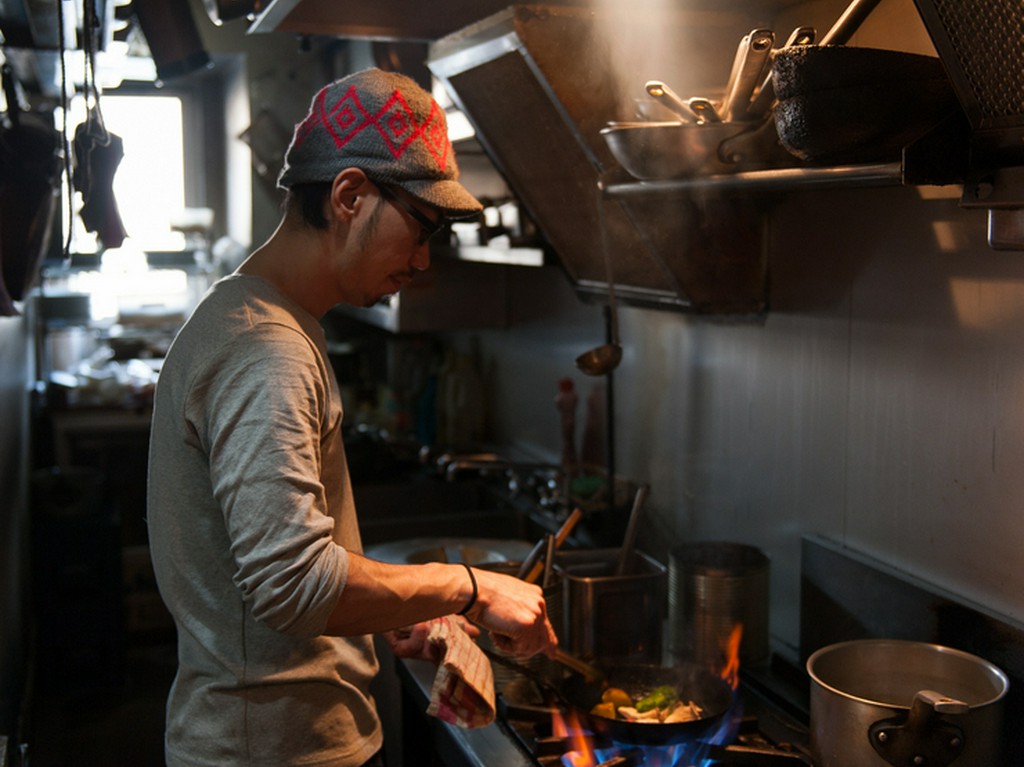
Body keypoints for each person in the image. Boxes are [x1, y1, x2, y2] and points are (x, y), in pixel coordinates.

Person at [146, 67, 558, 767]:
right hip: (276, 750)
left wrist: (385, 612)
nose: (424, 260)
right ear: (349, 195)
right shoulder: (266, 350)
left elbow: (282, 578)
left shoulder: (252, 317)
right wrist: (474, 585)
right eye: (421, 227)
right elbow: (295, 584)